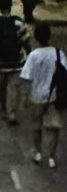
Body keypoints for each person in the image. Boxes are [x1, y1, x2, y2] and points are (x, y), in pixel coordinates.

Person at [19, 21, 67, 168]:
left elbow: (26, 77)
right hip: (54, 96)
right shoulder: (58, 53)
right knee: (53, 127)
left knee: (36, 124)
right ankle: (51, 156)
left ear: (36, 37)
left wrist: (24, 97)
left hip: (36, 95)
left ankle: (38, 152)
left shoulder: (34, 55)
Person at [0, 0, 28, 122]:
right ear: (11, 5)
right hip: (16, 60)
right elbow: (25, 39)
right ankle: (12, 113)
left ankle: (2, 109)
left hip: (1, 60)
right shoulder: (18, 22)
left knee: (2, 86)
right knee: (14, 87)